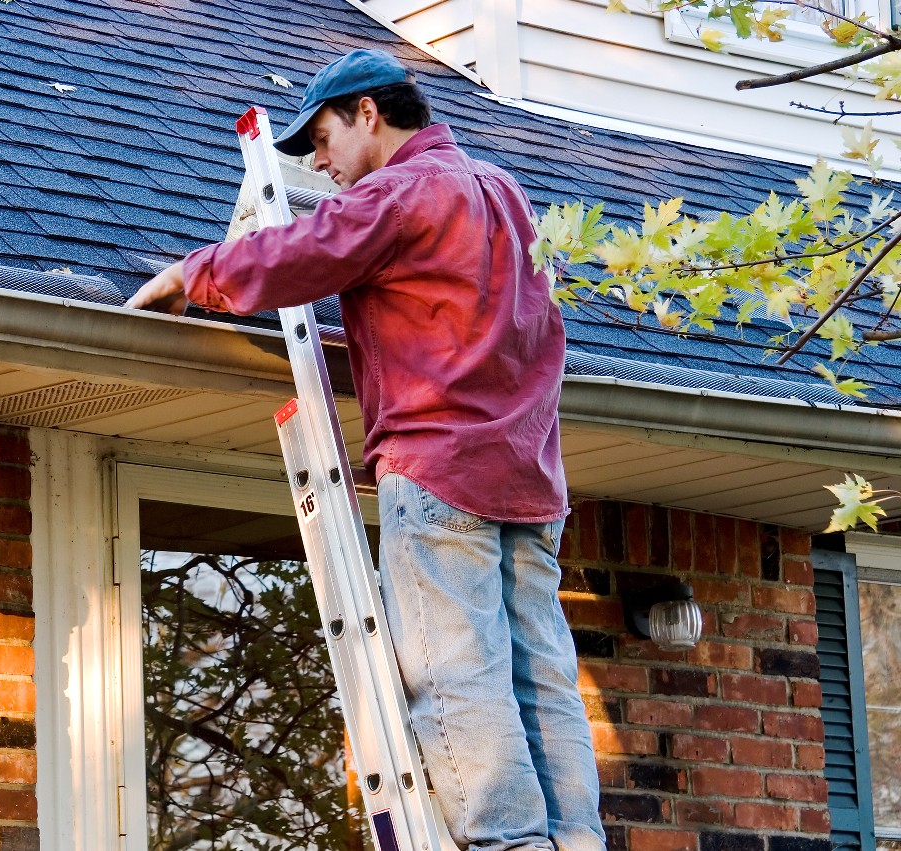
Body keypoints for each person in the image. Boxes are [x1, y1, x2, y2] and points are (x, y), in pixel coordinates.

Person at [125, 48, 605, 851]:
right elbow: (533, 327)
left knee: (459, 673)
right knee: (541, 673)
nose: (319, 163)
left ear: (369, 115)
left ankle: (510, 839)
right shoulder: (505, 195)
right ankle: (575, 838)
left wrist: (191, 273)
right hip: (527, 474)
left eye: (321, 139)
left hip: (440, 471)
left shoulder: (405, 189)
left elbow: (303, 254)